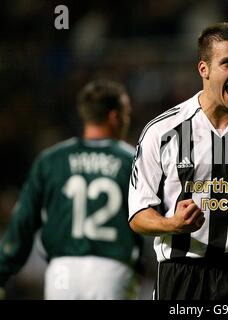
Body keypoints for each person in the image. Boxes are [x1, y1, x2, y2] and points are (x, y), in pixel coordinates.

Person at [129, 22, 228, 300]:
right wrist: (174, 225)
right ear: (203, 69)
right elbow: (138, 216)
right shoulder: (162, 132)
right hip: (183, 274)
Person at [0, 80, 144, 299]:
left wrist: (3, 272)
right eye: (126, 113)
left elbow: (23, 221)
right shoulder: (132, 160)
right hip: (113, 271)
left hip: (62, 272)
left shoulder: (51, 160)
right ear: (115, 116)